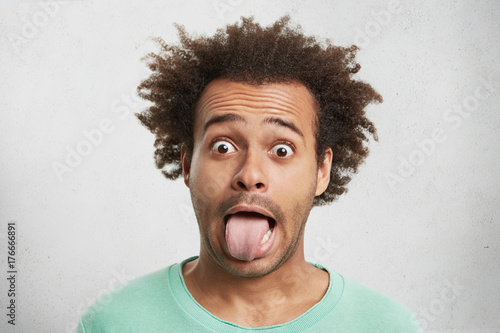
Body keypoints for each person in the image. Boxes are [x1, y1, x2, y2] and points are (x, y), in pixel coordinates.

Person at [78, 16, 422, 332]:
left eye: (282, 150)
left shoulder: (388, 326)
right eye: (223, 147)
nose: (250, 174)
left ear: (321, 170)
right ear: (187, 165)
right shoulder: (114, 322)